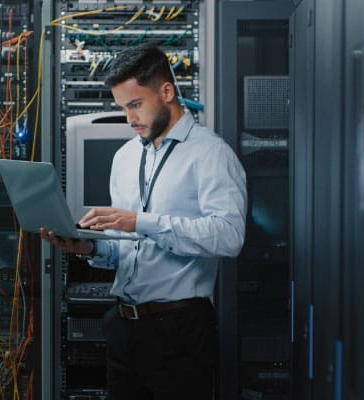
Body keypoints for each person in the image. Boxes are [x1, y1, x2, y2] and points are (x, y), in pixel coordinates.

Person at [40, 43, 247, 400]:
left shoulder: (211, 153)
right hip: (124, 327)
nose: (129, 119)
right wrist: (88, 247)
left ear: (166, 92)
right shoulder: (125, 157)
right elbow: (127, 249)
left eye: (135, 104)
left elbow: (229, 236)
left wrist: (141, 222)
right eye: (123, 108)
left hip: (180, 330)